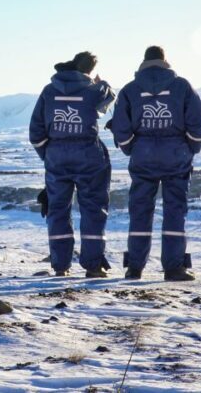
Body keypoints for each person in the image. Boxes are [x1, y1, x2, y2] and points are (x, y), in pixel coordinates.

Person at [110, 46, 201, 281]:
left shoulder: (130, 90)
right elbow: (198, 122)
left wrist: (132, 148)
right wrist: (189, 148)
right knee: (175, 211)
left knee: (140, 211)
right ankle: (173, 268)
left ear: (143, 62)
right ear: (165, 61)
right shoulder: (182, 86)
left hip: (143, 157)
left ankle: (135, 267)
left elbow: (121, 127)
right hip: (176, 157)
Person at [29, 52, 116, 278]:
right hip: (89, 155)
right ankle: (93, 266)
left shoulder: (49, 91)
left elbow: (36, 132)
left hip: (56, 156)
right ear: (89, 70)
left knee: (57, 210)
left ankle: (60, 265)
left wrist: (48, 155)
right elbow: (109, 98)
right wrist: (101, 82)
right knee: (93, 209)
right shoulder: (92, 89)